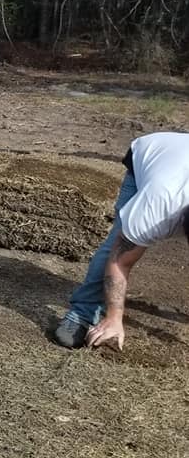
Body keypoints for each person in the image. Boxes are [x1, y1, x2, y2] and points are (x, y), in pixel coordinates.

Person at [53, 131, 189, 350]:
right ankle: (82, 312)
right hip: (153, 153)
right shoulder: (157, 206)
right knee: (115, 246)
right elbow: (120, 262)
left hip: (179, 160)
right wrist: (114, 318)